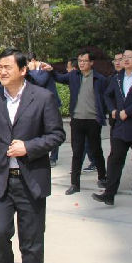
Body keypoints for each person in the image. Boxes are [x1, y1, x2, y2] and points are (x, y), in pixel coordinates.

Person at [0, 49, 66, 263]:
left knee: (31, 239)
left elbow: (57, 135)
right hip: (0, 179)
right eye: (0, 67)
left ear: (23, 70)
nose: (2, 72)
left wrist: (29, 147)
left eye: (7, 67)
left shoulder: (43, 97)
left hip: (31, 179)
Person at [93, 48, 132, 207]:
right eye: (124, 57)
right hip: (120, 126)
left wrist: (127, 112)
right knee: (115, 160)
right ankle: (109, 194)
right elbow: (107, 95)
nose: (125, 60)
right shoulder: (117, 78)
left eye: (130, 57)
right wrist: (113, 110)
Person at [52, 50, 108, 195]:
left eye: (84, 61)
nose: (81, 63)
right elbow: (58, 77)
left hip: (93, 120)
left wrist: (103, 113)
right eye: (80, 61)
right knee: (77, 152)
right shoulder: (73, 76)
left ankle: (102, 177)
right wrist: (50, 70)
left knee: (96, 150)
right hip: (77, 120)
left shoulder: (99, 79)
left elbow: (106, 97)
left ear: (91, 63)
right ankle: (74, 184)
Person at [25, 54, 62, 167]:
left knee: (53, 131)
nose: (27, 66)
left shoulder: (45, 67)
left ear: (32, 60)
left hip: (51, 104)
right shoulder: (30, 72)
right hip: (38, 104)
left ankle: (53, 157)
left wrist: (31, 71)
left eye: (27, 63)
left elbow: (41, 81)